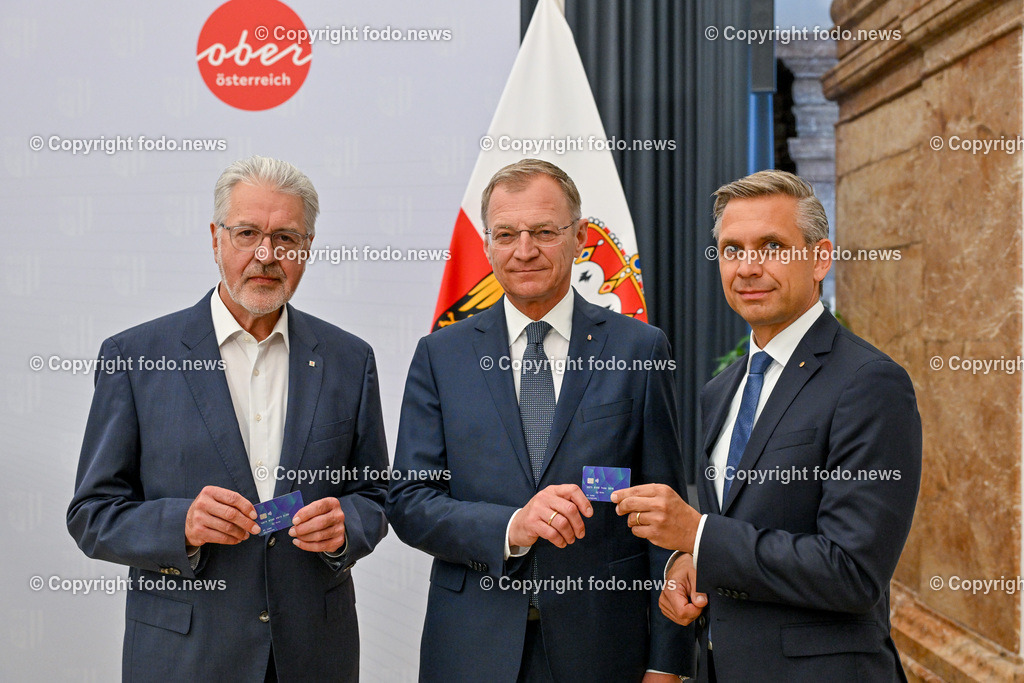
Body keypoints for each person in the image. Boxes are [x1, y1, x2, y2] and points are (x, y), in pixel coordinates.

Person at [67, 155, 389, 681]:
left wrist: (346, 527)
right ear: (216, 239)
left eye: (286, 238)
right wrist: (182, 525)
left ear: (306, 248)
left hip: (313, 655)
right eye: (247, 233)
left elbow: (375, 495)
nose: (266, 255)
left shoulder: (350, 359)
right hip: (184, 658)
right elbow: (91, 515)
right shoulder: (137, 356)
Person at [386, 159, 693, 682]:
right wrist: (512, 526)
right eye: (506, 234)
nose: (523, 250)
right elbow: (410, 503)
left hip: (604, 649)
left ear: (578, 239)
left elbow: (665, 513)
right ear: (486, 245)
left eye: (544, 232)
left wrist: (667, 661)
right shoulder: (441, 355)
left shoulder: (640, 348)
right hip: (470, 648)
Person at [612, 170, 921, 682]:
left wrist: (699, 534)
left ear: (820, 258)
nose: (748, 267)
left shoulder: (869, 382)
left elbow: (852, 572)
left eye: (773, 246)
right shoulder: (721, 389)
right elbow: (736, 532)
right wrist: (690, 565)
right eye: (732, 250)